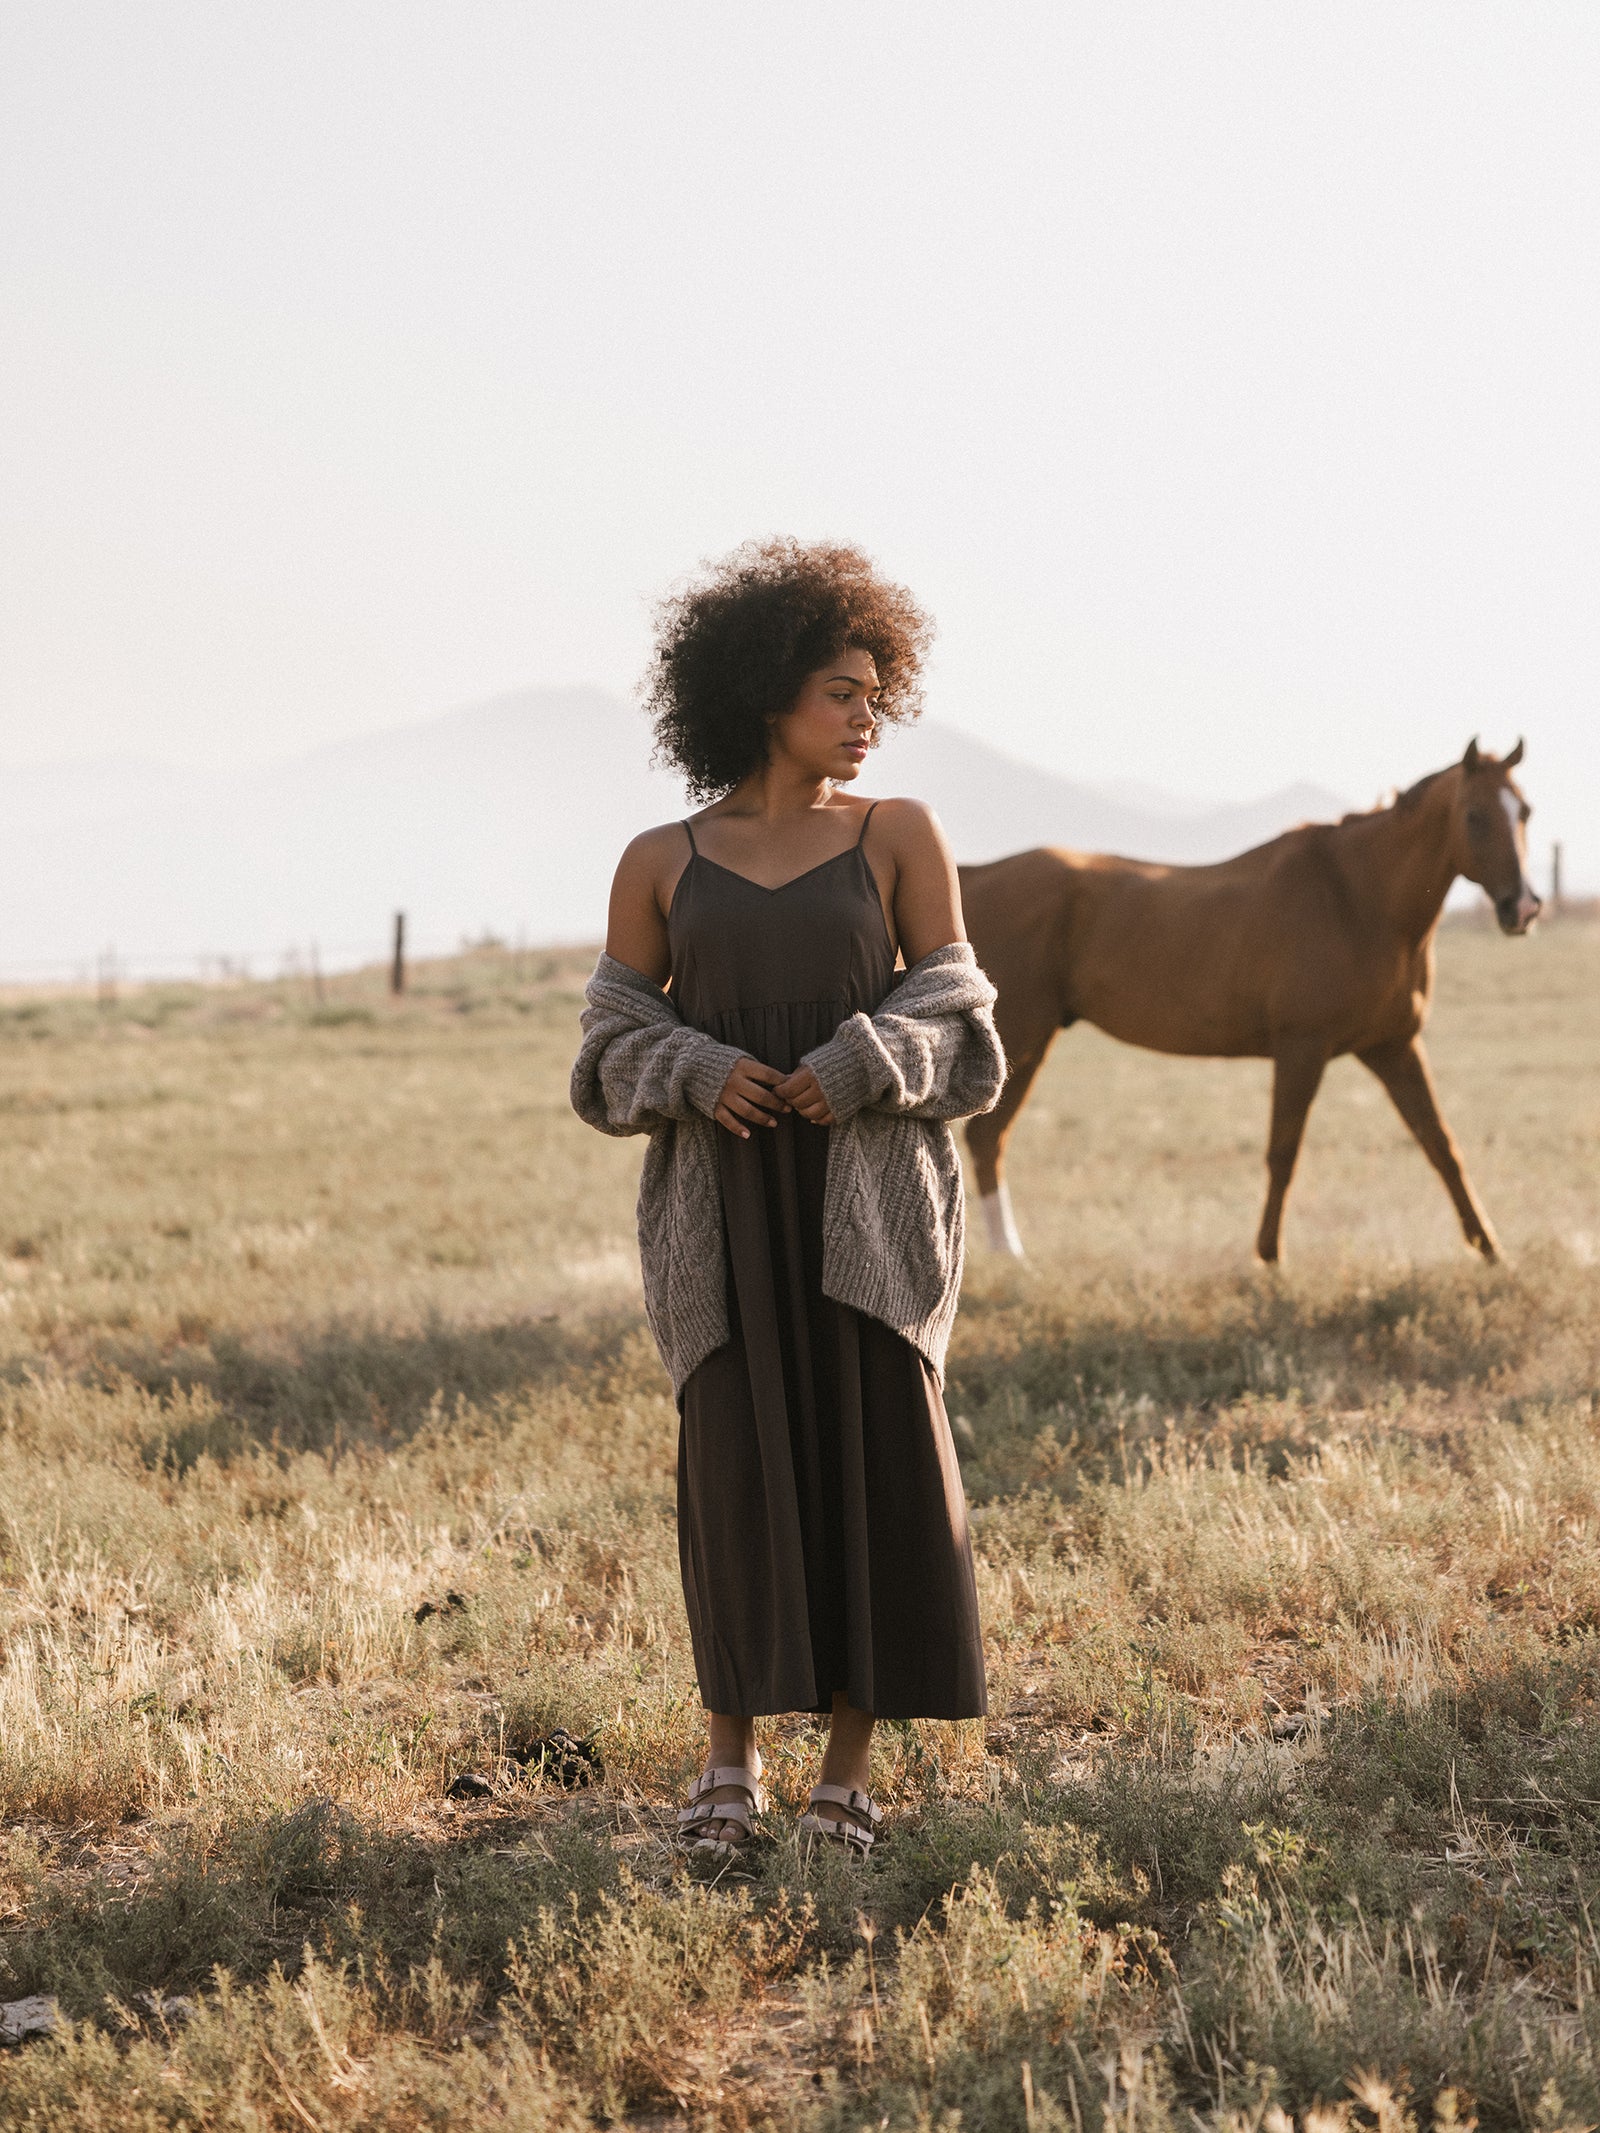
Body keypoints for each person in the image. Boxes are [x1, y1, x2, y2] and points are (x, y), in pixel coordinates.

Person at [571, 538, 1005, 1862]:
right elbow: (605, 1047)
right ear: (767, 696)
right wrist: (699, 1068)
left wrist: (854, 1062)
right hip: (726, 1225)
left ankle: (851, 1772)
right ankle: (727, 1762)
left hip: (867, 1213)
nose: (870, 715)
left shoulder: (899, 836)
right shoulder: (660, 859)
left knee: (881, 1467)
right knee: (737, 1474)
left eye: (879, 691)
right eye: (842, 691)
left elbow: (961, 1017)